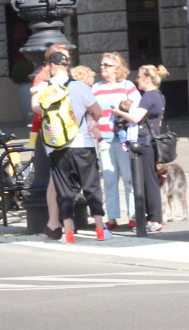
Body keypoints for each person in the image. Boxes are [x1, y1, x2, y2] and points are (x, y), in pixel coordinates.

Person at [34, 51, 105, 243]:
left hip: (57, 146)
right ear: (67, 66)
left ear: (52, 66)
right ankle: (99, 228)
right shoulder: (80, 86)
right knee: (91, 186)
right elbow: (98, 111)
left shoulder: (45, 88)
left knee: (64, 189)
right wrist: (88, 115)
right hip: (83, 142)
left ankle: (69, 232)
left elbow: (36, 108)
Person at [113, 63, 170, 232]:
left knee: (148, 182)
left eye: (138, 76)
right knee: (148, 180)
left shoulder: (149, 96)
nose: (136, 80)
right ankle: (152, 219)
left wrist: (118, 112)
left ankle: (155, 220)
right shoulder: (159, 95)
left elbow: (136, 118)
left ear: (147, 79)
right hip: (149, 142)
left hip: (144, 143)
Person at [90, 52, 140, 230]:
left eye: (107, 65)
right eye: (102, 65)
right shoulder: (96, 88)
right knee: (110, 179)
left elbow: (137, 110)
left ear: (117, 68)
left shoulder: (128, 86)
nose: (102, 68)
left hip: (124, 140)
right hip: (104, 140)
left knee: (129, 178)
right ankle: (112, 217)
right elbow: (90, 112)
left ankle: (133, 215)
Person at [30, 43, 71, 237]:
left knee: (60, 177)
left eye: (68, 57)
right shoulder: (45, 78)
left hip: (65, 132)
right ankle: (55, 221)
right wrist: (53, 112)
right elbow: (35, 104)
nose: (67, 61)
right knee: (56, 178)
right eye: (63, 57)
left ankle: (57, 221)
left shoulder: (66, 79)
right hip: (53, 132)